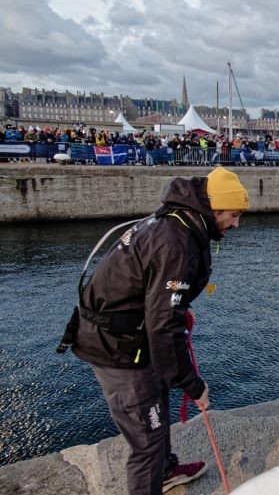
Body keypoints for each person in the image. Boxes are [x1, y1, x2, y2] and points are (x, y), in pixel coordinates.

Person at [61, 167, 249, 495]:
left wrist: (177, 309)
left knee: (156, 408)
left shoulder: (176, 222)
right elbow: (164, 326)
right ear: (214, 209)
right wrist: (192, 384)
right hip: (118, 347)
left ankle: (165, 472)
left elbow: (158, 300)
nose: (236, 224)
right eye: (233, 215)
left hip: (130, 335)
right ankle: (154, 474)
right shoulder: (176, 245)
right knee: (146, 440)